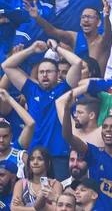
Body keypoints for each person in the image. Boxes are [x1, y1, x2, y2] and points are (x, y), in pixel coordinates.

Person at [2, 40, 82, 179]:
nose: (44, 75)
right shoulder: (31, 90)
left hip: (59, 156)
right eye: (41, 72)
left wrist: (57, 48)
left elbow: (78, 63)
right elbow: (6, 65)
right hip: (35, 157)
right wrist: (31, 49)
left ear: (58, 75)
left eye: (49, 72)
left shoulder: (64, 89)